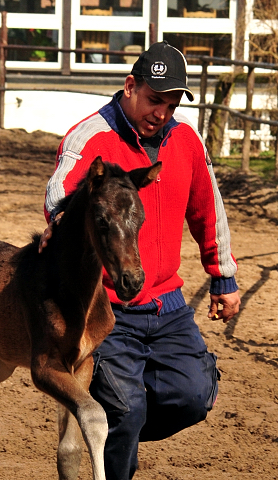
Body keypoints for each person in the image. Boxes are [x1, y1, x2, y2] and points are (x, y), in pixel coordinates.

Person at [40, 41, 241, 480]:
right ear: (131, 86)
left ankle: (112, 428)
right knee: (127, 407)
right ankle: (117, 434)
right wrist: (57, 219)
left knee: (194, 396)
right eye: (154, 100)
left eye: (171, 105)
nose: (162, 113)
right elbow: (60, 195)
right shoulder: (90, 137)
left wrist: (223, 276)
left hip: (168, 304)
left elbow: (209, 206)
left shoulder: (186, 139)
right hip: (106, 308)